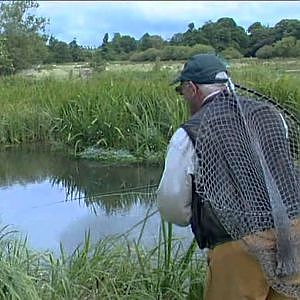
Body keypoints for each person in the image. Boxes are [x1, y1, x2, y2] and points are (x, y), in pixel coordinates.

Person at [157, 53, 300, 300]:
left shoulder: (188, 134)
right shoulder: (272, 115)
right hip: (293, 234)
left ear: (192, 88)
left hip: (236, 247)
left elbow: (172, 206)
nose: (184, 98)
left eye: (182, 91)